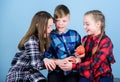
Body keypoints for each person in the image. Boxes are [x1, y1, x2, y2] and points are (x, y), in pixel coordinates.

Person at [63, 10, 116, 82]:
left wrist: (73, 66)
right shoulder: (85, 39)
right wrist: (78, 58)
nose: (84, 27)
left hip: (102, 75)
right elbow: (82, 58)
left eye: (87, 24)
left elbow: (95, 64)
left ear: (98, 24)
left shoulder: (106, 41)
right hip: (87, 74)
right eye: (83, 24)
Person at [6, 11, 56, 82]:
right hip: (19, 73)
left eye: (51, 26)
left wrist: (45, 59)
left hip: (31, 72)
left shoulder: (44, 38)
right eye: (48, 27)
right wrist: (55, 62)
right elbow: (36, 64)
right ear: (38, 26)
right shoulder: (31, 40)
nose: (50, 29)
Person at [44, 4, 81, 82]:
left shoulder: (74, 34)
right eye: (58, 20)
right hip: (56, 70)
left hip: (71, 70)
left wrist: (77, 59)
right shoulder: (50, 36)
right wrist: (58, 62)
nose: (61, 23)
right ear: (54, 20)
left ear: (69, 20)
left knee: (73, 80)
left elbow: (80, 52)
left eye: (64, 21)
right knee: (53, 79)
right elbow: (47, 56)